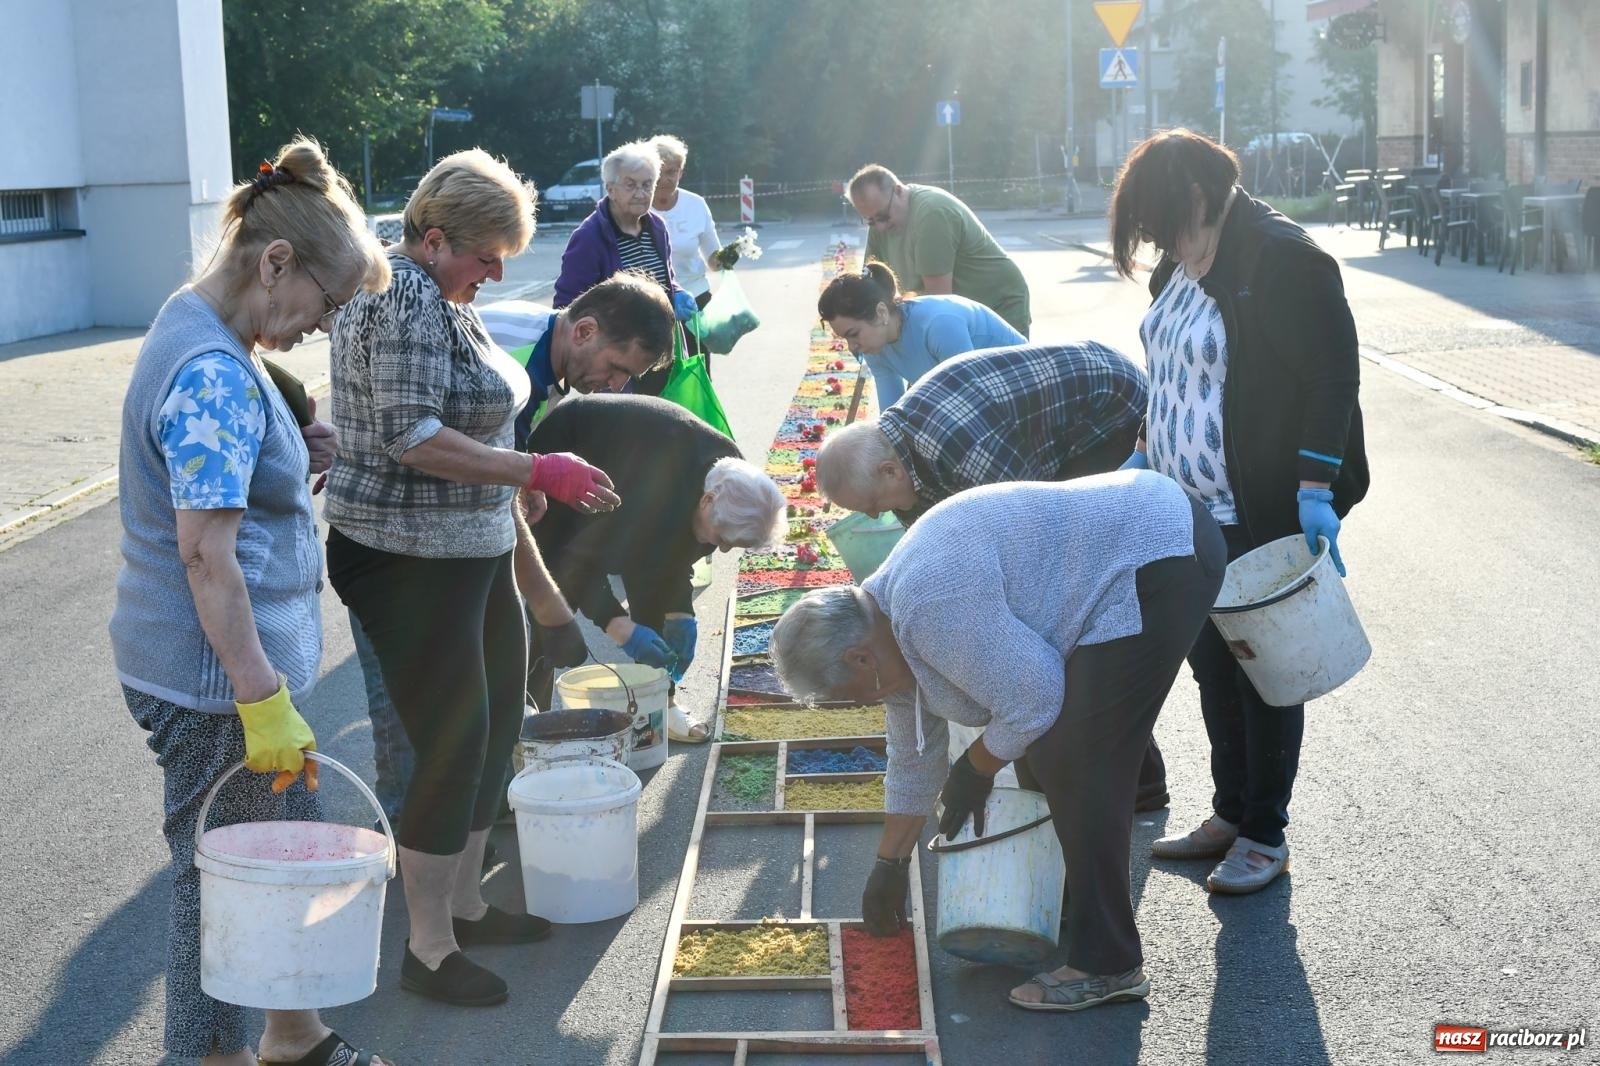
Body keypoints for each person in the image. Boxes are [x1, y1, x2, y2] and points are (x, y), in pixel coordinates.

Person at [110, 138, 396, 1066]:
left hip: (219, 675)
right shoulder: (211, 374)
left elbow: (215, 479)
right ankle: (217, 1056)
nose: (323, 326)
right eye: (327, 304)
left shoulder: (205, 329)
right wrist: (260, 698)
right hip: (217, 685)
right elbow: (204, 555)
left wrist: (289, 454)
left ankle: (293, 1037)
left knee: (263, 857)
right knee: (226, 881)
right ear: (276, 263)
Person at [325, 148, 616, 1008]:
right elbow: (411, 436)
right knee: (451, 745)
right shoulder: (399, 297)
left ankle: (466, 903)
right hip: (406, 557)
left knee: (494, 729)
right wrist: (532, 469)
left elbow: (466, 415)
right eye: (487, 256)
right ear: (436, 238)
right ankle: (428, 947)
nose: (495, 274)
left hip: (469, 545)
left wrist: (509, 486)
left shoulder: (444, 296)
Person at [770, 473, 1225, 1012]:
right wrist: (888, 866)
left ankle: (1109, 964)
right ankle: (1070, 898)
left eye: (846, 697)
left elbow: (1036, 698)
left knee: (1072, 757)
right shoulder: (882, 630)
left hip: (1157, 553)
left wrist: (977, 766)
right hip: (1124, 551)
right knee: (1040, 747)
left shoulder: (927, 608)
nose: (859, 705)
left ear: (859, 658)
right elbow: (914, 757)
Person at [1111, 128, 1368, 894]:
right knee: (1213, 669)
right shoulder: (1180, 266)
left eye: (1165, 223)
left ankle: (1264, 832)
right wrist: (1143, 449)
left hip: (1258, 505)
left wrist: (1315, 489)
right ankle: (1229, 812)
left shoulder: (1282, 259)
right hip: (1185, 509)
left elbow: (1333, 379)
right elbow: (1168, 374)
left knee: (1265, 672)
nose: (1162, 243)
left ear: (1199, 195)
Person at [351, 272, 678, 828]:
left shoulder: (549, 358)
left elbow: (497, 482)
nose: (616, 384)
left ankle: (467, 825)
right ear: (585, 331)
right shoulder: (516, 362)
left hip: (442, 541)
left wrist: (522, 481)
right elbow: (484, 493)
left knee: (468, 700)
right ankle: (410, 851)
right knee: (409, 716)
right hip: (393, 545)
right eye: (617, 367)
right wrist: (550, 607)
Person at [814, 341, 1165, 812]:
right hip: (1044, 429)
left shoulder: (962, 452)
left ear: (889, 470)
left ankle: (1136, 782)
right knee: (1031, 656)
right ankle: (1071, 771)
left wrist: (1002, 727)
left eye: (874, 505)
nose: (877, 516)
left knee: (1070, 616)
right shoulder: (903, 459)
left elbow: (1033, 544)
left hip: (1108, 412)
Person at [524, 394, 786, 741]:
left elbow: (671, 553)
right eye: (723, 539)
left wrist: (680, 613)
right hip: (570, 462)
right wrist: (616, 623)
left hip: (646, 482)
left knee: (658, 604)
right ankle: (525, 713)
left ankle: (661, 702)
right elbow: (577, 559)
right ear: (707, 500)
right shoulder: (649, 491)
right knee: (552, 616)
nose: (722, 549)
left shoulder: (732, 481)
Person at [555, 140, 699, 395]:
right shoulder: (589, 237)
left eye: (647, 185)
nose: (640, 193)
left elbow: (666, 278)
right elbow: (566, 306)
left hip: (659, 357)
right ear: (611, 189)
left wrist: (676, 293)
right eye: (631, 185)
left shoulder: (657, 227)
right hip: (617, 365)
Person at [848, 163, 1031, 336]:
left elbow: (939, 304)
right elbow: (871, 283)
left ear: (898, 191)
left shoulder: (932, 215)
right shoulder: (879, 220)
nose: (880, 227)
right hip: (961, 312)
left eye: (883, 217)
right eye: (870, 221)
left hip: (997, 306)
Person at [817, 262, 1024, 410]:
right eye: (845, 339)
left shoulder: (939, 324)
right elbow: (891, 414)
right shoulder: (875, 346)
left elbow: (969, 402)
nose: (852, 347)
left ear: (881, 312)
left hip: (1020, 386)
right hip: (981, 396)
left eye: (853, 334)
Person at [650, 133, 721, 357]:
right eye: (658, 172)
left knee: (697, 371)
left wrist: (733, 253)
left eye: (671, 172)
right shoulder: (636, 206)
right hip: (649, 305)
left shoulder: (696, 205)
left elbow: (714, 259)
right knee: (653, 374)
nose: (664, 179)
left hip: (694, 303)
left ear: (681, 172)